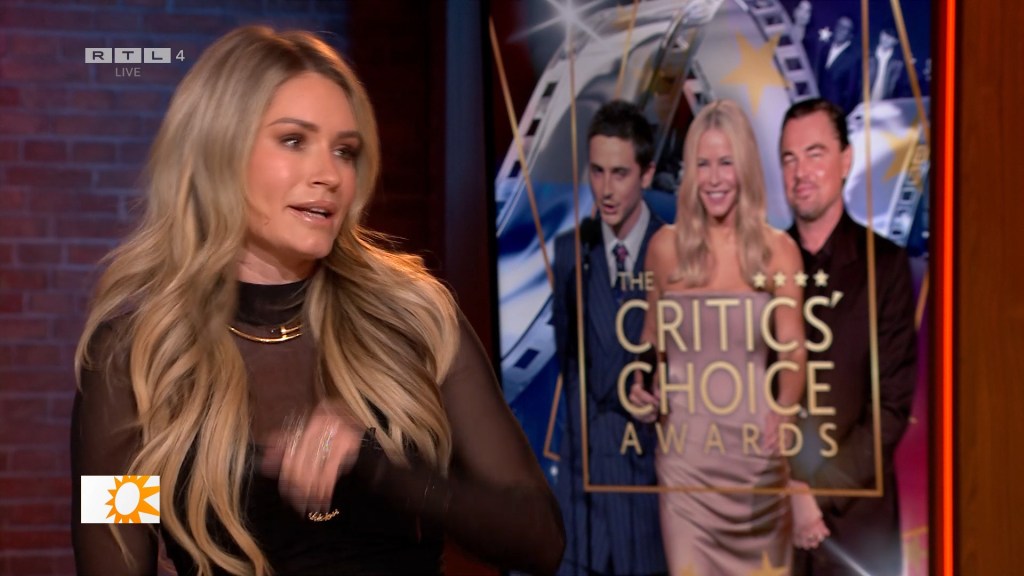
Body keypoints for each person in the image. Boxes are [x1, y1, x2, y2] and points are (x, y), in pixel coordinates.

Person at [70, 25, 565, 576]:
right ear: (219, 150)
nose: (329, 175)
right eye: (293, 141)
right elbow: (115, 555)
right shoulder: (138, 360)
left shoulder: (412, 319)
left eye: (345, 151)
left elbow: (538, 538)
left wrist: (384, 472)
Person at [627, 99, 820, 574]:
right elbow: (650, 349)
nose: (714, 178)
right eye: (704, 164)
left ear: (745, 168)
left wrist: (785, 408)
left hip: (757, 464)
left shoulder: (778, 252)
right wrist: (642, 392)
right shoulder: (665, 249)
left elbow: (794, 353)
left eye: (726, 163)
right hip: (686, 465)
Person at [779, 97, 916, 575]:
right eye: (789, 158)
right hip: (773, 535)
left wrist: (813, 494)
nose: (801, 172)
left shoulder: (885, 267)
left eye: (815, 154)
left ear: (846, 160)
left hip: (858, 535)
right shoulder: (757, 268)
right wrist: (785, 491)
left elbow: (890, 408)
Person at [551, 100, 667, 576]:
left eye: (620, 174)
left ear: (647, 174)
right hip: (584, 486)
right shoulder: (569, 250)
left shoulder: (676, 252)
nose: (605, 189)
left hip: (652, 485)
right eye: (597, 172)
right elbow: (571, 361)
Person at [813, 16, 861, 116]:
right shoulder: (824, 49)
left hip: (834, 113)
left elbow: (851, 93)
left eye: (845, 28)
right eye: (839, 25)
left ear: (851, 35)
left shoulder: (853, 59)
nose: (840, 29)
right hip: (815, 107)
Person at [866, 28, 912, 102]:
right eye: (885, 34)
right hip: (862, 102)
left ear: (896, 41)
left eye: (891, 37)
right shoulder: (867, 56)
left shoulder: (899, 63)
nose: (887, 39)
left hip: (886, 103)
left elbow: (900, 89)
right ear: (880, 34)